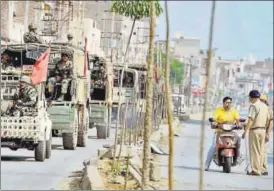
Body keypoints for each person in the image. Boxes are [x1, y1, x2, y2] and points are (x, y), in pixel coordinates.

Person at [205, 96, 243, 171]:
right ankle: (206, 165)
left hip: (231, 132)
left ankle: (238, 156)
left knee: (239, 138)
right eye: (227, 103)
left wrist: (239, 124)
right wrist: (214, 122)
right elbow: (214, 119)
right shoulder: (218, 110)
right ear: (223, 103)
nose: (228, 104)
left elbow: (238, 120)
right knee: (213, 146)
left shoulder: (234, 111)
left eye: (230, 103)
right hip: (219, 131)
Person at [242, 90, 271, 176]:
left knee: (254, 151)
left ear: (252, 97)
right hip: (263, 130)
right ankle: (261, 169)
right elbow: (268, 119)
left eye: (250, 98)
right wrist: (267, 132)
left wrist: (245, 131)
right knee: (261, 151)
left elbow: (251, 120)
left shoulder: (253, 106)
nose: (249, 99)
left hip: (255, 130)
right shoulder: (265, 106)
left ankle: (255, 170)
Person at [259, 94, 273, 175]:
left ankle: (262, 168)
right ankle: (261, 168)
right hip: (260, 131)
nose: (261, 101)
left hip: (264, 131)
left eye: (262, 100)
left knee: (262, 151)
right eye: (260, 100)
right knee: (261, 151)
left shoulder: (269, 110)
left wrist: (268, 133)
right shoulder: (258, 108)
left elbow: (271, 123)